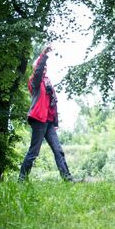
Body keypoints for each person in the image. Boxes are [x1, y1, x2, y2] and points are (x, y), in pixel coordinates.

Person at [19, 45, 74, 182]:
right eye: (42, 68)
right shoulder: (35, 82)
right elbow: (38, 70)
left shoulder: (47, 83)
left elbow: (52, 104)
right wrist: (43, 54)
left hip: (48, 122)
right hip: (39, 120)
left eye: (45, 68)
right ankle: (22, 179)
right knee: (34, 152)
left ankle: (67, 179)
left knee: (58, 150)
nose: (44, 69)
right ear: (36, 69)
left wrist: (55, 121)